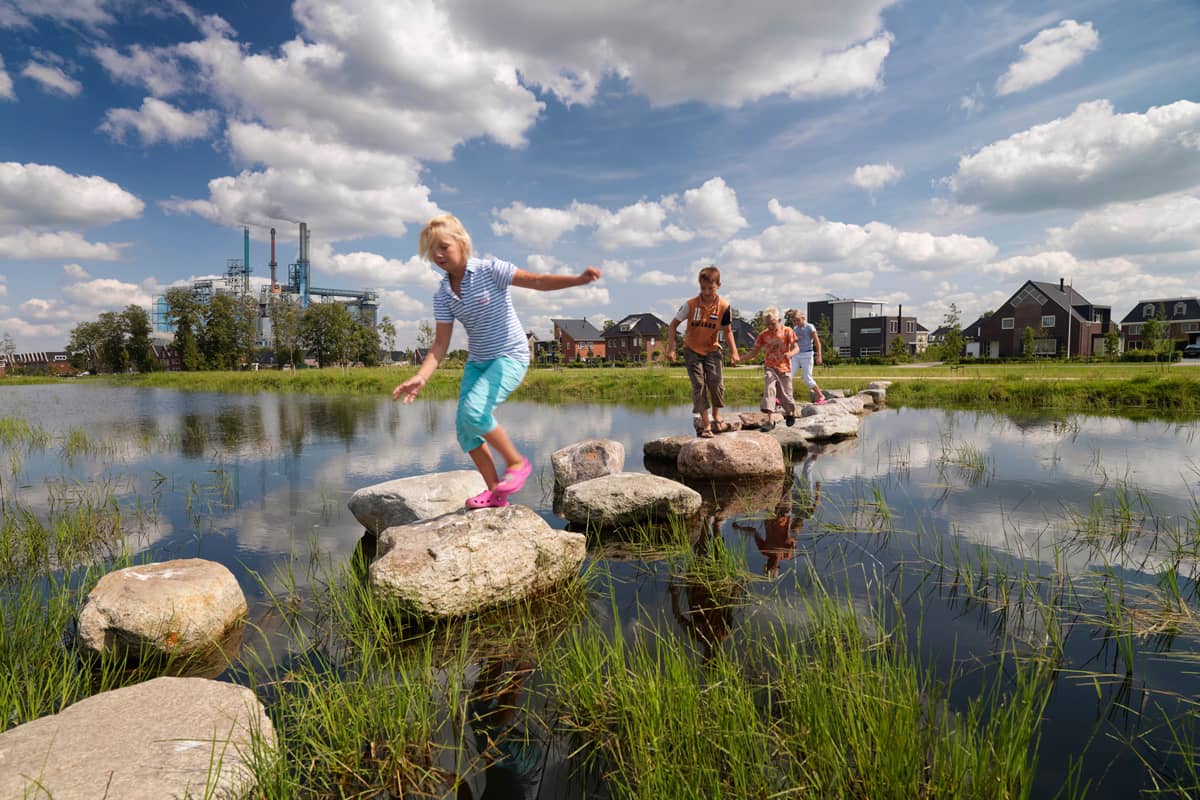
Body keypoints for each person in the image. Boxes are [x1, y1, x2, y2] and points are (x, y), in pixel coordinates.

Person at [393, 214, 601, 509]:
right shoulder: (443, 294)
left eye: (444, 247)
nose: (437, 255)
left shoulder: (491, 270)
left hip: (509, 356)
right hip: (477, 362)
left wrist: (577, 280)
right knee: (465, 429)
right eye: (431, 251)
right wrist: (421, 376)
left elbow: (537, 281)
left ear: (462, 243)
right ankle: (496, 494)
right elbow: (440, 344)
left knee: (476, 412)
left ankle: (516, 463)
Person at [666, 265, 740, 438]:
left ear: (718, 286)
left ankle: (716, 414)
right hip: (692, 350)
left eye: (710, 288)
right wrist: (672, 348)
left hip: (712, 349)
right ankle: (706, 424)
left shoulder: (724, 306)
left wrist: (734, 352)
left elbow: (728, 331)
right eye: (703, 288)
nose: (706, 292)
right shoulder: (690, 305)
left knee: (716, 383)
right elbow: (673, 325)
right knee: (699, 385)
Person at [741, 306, 799, 432]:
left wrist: (790, 354)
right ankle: (770, 420)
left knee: (786, 395)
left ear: (779, 320)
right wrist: (740, 359)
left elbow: (796, 348)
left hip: (784, 367)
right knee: (769, 390)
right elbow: (754, 352)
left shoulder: (787, 331)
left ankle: (790, 413)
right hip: (770, 367)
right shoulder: (764, 335)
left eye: (772, 324)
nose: (770, 327)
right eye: (767, 324)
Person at [790, 308, 826, 404]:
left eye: (798, 320)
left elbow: (817, 342)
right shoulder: (795, 329)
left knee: (807, 379)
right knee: (788, 376)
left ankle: (821, 396)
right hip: (796, 355)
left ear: (803, 318)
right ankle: (786, 397)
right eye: (794, 321)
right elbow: (793, 344)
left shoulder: (810, 327)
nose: (796, 322)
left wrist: (819, 355)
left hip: (807, 355)